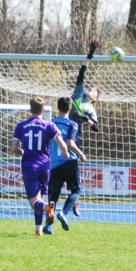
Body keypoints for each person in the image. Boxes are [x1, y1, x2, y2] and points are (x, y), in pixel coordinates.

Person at [11, 98, 70, 236]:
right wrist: (66, 154)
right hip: (45, 166)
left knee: (34, 203)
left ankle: (48, 208)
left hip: (29, 166)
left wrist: (22, 152)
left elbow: (13, 149)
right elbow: (61, 143)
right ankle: (38, 230)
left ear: (30, 110)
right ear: (43, 111)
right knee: (40, 198)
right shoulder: (49, 125)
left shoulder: (21, 126)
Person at [43, 96, 87, 235]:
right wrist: (81, 154)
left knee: (53, 197)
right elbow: (70, 144)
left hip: (54, 164)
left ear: (58, 107)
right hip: (69, 162)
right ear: (70, 108)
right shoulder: (72, 124)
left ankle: (48, 226)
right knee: (76, 191)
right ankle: (63, 213)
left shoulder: (50, 124)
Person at [67, 39, 101, 217]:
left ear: (96, 98)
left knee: (73, 171)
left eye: (95, 90)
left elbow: (97, 128)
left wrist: (87, 120)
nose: (91, 89)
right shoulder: (79, 92)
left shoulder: (91, 109)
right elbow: (82, 71)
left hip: (74, 138)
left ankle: (74, 201)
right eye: (91, 88)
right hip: (60, 132)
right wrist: (91, 51)